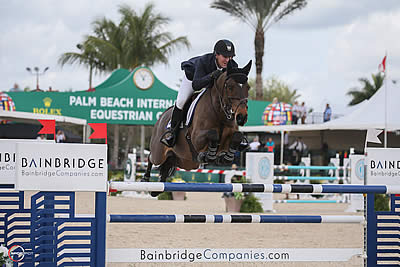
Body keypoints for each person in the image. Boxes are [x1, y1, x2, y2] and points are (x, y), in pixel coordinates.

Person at [160, 39, 238, 147]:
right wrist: (211, 76)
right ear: (216, 55)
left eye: (230, 57)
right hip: (192, 79)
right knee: (181, 101)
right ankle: (172, 132)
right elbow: (196, 85)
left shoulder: (233, 65)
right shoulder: (203, 61)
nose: (227, 60)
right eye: (225, 57)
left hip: (211, 86)